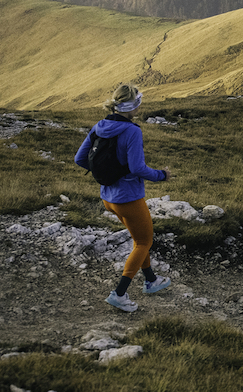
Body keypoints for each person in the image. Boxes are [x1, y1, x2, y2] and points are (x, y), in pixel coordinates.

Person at [72, 82, 173, 313]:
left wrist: (109, 171)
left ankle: (151, 280)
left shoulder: (99, 126)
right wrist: (161, 175)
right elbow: (138, 168)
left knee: (139, 240)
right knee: (144, 242)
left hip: (109, 198)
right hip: (129, 198)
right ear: (133, 105)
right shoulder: (132, 131)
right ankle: (119, 293)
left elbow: (80, 159)